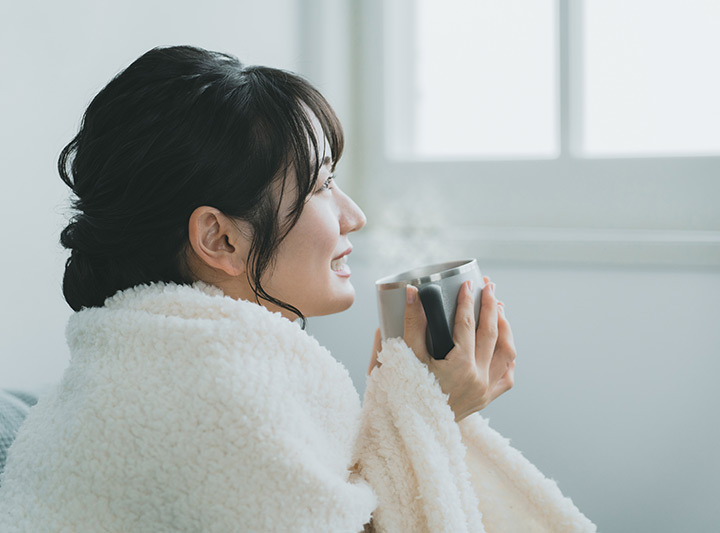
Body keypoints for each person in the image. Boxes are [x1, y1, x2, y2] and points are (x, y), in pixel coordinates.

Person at [0, 46, 594, 532]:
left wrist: (417, 408)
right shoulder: (215, 395)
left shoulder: (171, 364)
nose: (353, 215)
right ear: (220, 239)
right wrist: (426, 412)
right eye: (320, 185)